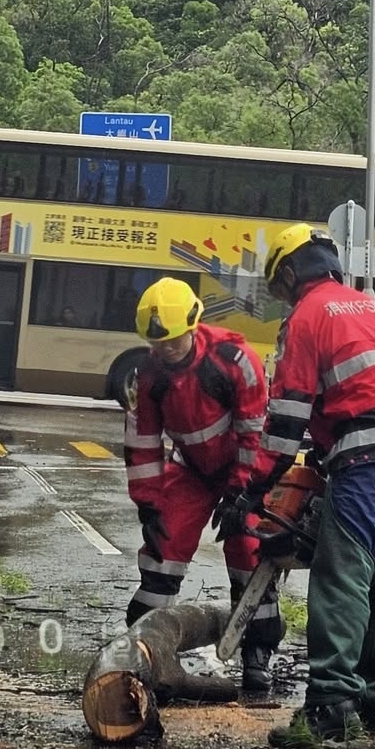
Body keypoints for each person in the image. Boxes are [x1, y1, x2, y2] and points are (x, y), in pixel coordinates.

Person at [227, 224, 375, 749]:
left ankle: (329, 707)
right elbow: (373, 388)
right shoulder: (374, 309)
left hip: (365, 457)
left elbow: (286, 417)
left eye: (281, 287)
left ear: (291, 273)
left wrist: (253, 490)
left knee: (342, 574)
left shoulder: (307, 317)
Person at [120, 276, 282, 695]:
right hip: (191, 469)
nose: (165, 351)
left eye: (173, 341)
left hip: (240, 469)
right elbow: (142, 442)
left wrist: (241, 493)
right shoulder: (149, 374)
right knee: (162, 549)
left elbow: (254, 432)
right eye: (157, 343)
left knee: (249, 552)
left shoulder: (233, 360)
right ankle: (140, 648)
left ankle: (257, 652)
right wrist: (148, 505)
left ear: (193, 326)